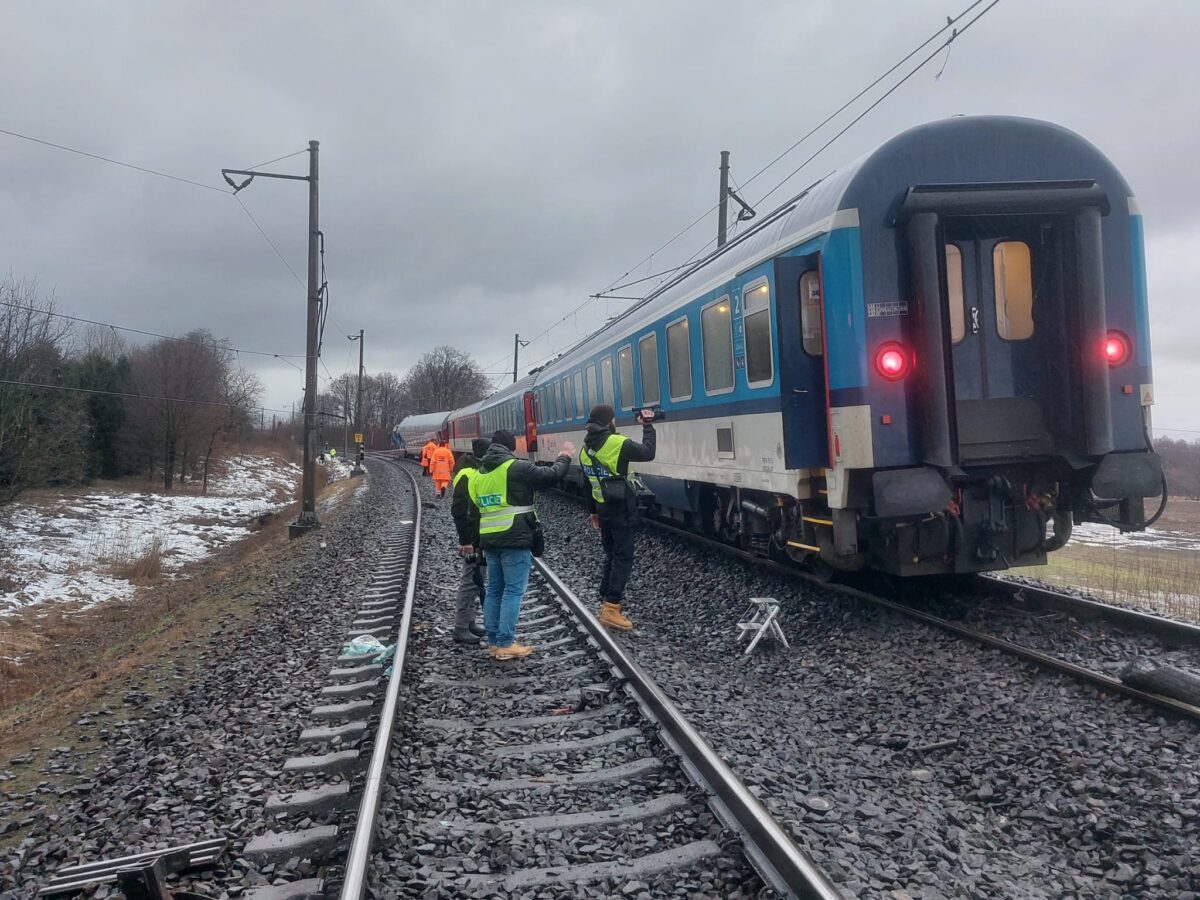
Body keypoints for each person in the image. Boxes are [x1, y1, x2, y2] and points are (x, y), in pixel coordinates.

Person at [470, 429, 574, 660]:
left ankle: (494, 642)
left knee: (495, 589)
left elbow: (475, 506)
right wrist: (564, 455)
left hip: (489, 538)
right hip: (514, 537)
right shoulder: (515, 467)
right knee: (513, 590)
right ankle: (506, 643)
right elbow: (551, 475)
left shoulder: (479, 473)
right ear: (510, 447)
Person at [579, 403, 656, 631]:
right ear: (608, 421)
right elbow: (647, 453)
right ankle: (612, 608)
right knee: (623, 557)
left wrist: (593, 512)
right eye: (613, 419)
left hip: (603, 510)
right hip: (620, 508)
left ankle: (606, 601)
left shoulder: (585, 449)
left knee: (611, 555)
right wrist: (648, 427)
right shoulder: (617, 442)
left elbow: (587, 484)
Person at [449, 438, 491, 643]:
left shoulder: (471, 468)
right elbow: (459, 510)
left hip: (477, 536)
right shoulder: (468, 473)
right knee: (470, 580)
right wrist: (466, 541)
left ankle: (470, 621)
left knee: (477, 580)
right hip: (472, 538)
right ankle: (460, 626)